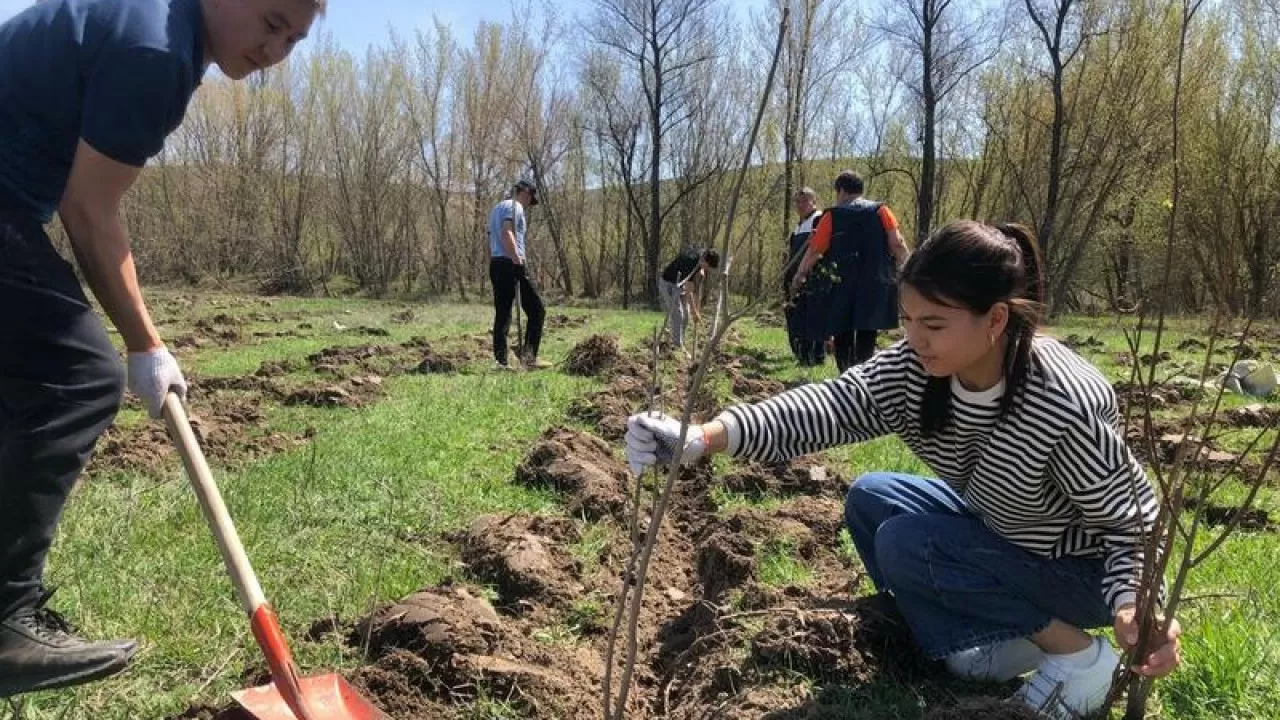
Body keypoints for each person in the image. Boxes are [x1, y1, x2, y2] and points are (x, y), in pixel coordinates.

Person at [625, 221, 1182, 719]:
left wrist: (1134, 603)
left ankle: (1079, 658)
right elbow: (825, 408)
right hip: (1008, 540)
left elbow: (1131, 525)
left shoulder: (1061, 401)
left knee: (910, 543)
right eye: (908, 319)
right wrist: (701, 437)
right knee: (872, 498)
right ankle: (993, 644)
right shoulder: (916, 370)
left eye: (934, 324)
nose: (915, 340)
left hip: (1080, 572)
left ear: (995, 319)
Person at [0, 0, 320, 697]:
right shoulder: (156, 52)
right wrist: (144, 345)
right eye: (270, 23)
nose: (276, 51)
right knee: (78, 375)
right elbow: (90, 209)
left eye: (294, 38)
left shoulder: (154, 22)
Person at [792, 170, 909, 372]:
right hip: (873, 282)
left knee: (841, 330)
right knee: (867, 331)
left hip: (840, 284)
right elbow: (896, 244)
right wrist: (909, 268)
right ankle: (864, 378)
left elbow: (815, 250)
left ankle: (846, 378)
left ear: (842, 191)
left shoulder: (832, 216)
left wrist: (799, 274)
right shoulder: (882, 211)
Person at [488, 179, 549, 370]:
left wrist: (492, 262)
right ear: (526, 193)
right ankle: (529, 359)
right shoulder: (514, 207)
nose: (530, 204)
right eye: (531, 199)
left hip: (497, 263)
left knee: (503, 314)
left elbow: (489, 239)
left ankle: (501, 362)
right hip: (511, 263)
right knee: (537, 310)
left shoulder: (495, 209)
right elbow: (507, 233)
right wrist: (517, 259)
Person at [782, 188, 825, 366]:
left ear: (814, 202)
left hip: (812, 277)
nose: (800, 205)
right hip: (794, 278)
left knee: (812, 317)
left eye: (805, 201)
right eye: (798, 201)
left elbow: (818, 250)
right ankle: (801, 355)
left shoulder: (819, 220)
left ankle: (815, 357)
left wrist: (804, 273)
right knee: (795, 316)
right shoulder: (798, 226)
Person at [658, 247, 720, 355]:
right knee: (678, 314)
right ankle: (677, 347)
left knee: (685, 316)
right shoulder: (691, 263)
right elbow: (689, 291)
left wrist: (700, 271)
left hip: (680, 283)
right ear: (705, 261)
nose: (707, 269)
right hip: (669, 283)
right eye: (707, 267)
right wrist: (694, 311)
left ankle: (679, 341)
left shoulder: (700, 256)